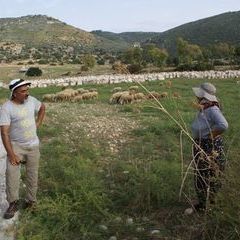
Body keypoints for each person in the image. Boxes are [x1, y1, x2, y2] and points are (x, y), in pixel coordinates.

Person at [0, 79, 45, 219]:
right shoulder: (7, 108)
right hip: (16, 147)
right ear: (14, 93)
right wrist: (11, 154)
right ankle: (13, 203)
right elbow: (4, 133)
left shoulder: (31, 100)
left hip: (33, 146)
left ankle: (31, 202)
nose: (27, 93)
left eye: (27, 90)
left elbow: (42, 107)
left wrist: (38, 123)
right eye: (23, 91)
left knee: (32, 175)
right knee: (12, 175)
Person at [186, 82, 228, 215]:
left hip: (208, 145)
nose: (196, 97)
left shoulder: (212, 109)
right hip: (204, 143)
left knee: (205, 172)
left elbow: (223, 125)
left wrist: (211, 135)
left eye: (198, 95)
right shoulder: (206, 107)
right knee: (206, 172)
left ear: (204, 96)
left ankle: (204, 204)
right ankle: (208, 201)